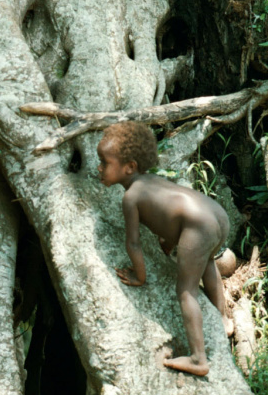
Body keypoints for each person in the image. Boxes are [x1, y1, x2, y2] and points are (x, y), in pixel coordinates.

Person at [96, 121, 234, 377]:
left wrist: (140, 276)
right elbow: (169, 216)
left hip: (198, 226)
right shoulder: (151, 180)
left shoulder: (131, 197)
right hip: (215, 215)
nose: (99, 168)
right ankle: (223, 320)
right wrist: (168, 244)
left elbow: (133, 243)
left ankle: (198, 359)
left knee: (186, 291)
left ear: (129, 167)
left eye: (105, 163)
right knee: (207, 263)